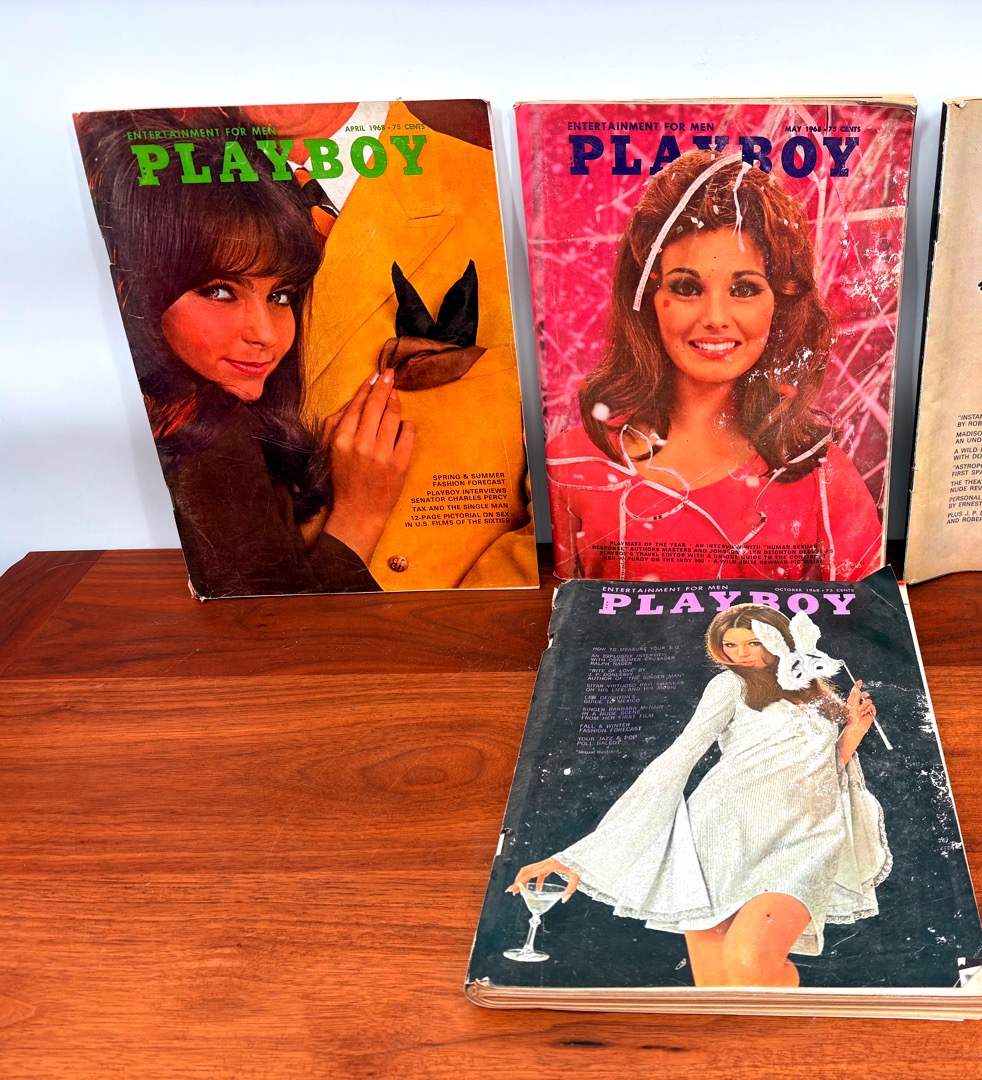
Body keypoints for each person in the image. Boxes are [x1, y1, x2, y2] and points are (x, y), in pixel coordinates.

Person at [78, 111, 412, 597]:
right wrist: (360, 516)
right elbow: (277, 635)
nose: (265, 334)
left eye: (280, 296)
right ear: (139, 293)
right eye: (219, 292)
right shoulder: (208, 438)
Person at [232, 101, 538, 591]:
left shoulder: (509, 190)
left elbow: (586, 488)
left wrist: (465, 619)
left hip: (450, 612)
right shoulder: (166, 196)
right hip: (261, 612)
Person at [509, 605, 891, 988]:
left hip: (805, 837)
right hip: (719, 836)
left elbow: (820, 770)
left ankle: (789, 1025)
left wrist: (854, 730)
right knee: (716, 984)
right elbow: (681, 754)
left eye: (753, 642)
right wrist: (577, 856)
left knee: (750, 962)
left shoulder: (813, 690)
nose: (741, 654)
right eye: (731, 645)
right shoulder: (730, 685)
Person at [545, 150, 883, 581]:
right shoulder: (571, 466)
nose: (716, 317)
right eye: (687, 288)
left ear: (778, 304)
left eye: (745, 289)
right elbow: (556, 612)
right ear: (647, 301)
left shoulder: (823, 477)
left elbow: (867, 617)